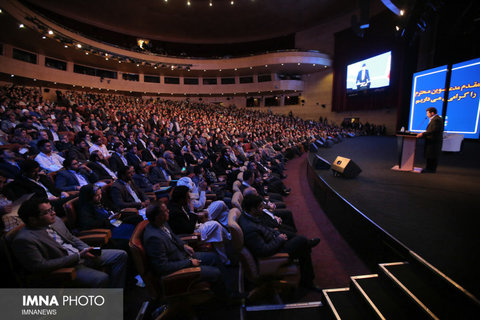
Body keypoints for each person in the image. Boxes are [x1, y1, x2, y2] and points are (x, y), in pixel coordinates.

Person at [12, 197, 127, 287]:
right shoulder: (24, 239)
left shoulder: (55, 221)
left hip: (82, 255)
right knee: (102, 278)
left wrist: (86, 249)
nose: (54, 213)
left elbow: (72, 238)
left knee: (121, 255)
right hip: (67, 267)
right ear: (32, 219)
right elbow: (40, 266)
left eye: (52, 209)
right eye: (47, 212)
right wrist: (77, 256)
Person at [238, 194, 321, 292]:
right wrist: (279, 239)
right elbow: (263, 251)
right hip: (271, 255)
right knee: (301, 241)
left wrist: (277, 234)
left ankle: (307, 279)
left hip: (272, 240)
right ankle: (307, 282)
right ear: (252, 209)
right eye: (260, 207)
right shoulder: (250, 229)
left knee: (300, 243)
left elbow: (265, 229)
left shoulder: (248, 216)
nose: (263, 208)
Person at [143, 202, 224, 292]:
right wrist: (189, 263)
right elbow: (163, 267)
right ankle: (222, 299)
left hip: (183, 255)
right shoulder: (153, 238)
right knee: (217, 273)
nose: (169, 211)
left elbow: (173, 237)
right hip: (179, 265)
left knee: (215, 257)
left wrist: (184, 245)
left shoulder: (162, 223)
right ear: (158, 216)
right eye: (165, 211)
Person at [416, 107, 444, 173]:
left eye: (427, 113)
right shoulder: (434, 119)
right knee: (429, 155)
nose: (427, 115)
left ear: (432, 113)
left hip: (434, 141)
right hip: (431, 141)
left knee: (432, 155)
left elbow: (433, 130)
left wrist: (423, 134)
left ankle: (431, 169)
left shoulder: (436, 120)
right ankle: (429, 168)